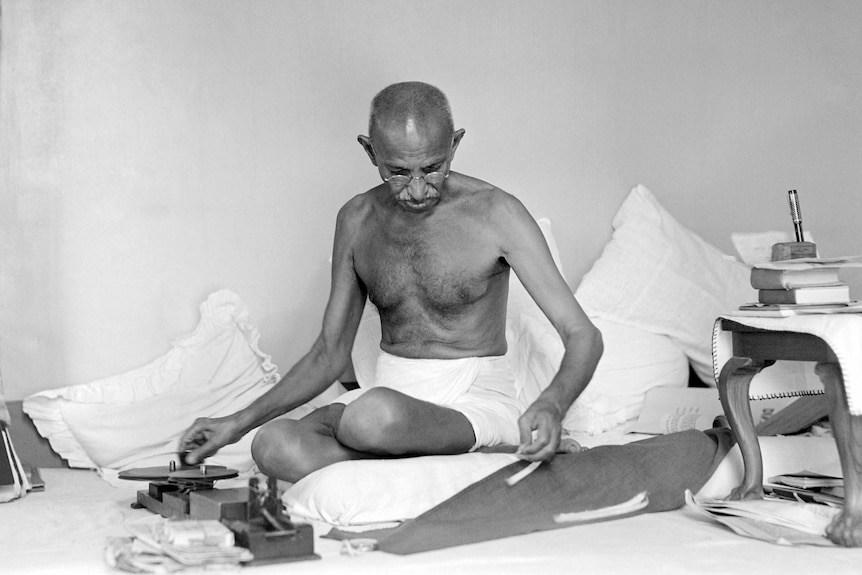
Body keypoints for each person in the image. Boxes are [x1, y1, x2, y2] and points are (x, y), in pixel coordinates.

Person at [179, 81, 603, 482]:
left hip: (471, 404)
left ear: (455, 144)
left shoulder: (497, 213)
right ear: (370, 152)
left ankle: (491, 444)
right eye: (398, 171)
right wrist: (234, 424)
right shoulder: (357, 218)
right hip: (388, 400)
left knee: (370, 417)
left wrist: (551, 404)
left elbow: (583, 335)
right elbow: (328, 354)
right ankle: (471, 464)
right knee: (272, 446)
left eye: (433, 168)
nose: (417, 190)